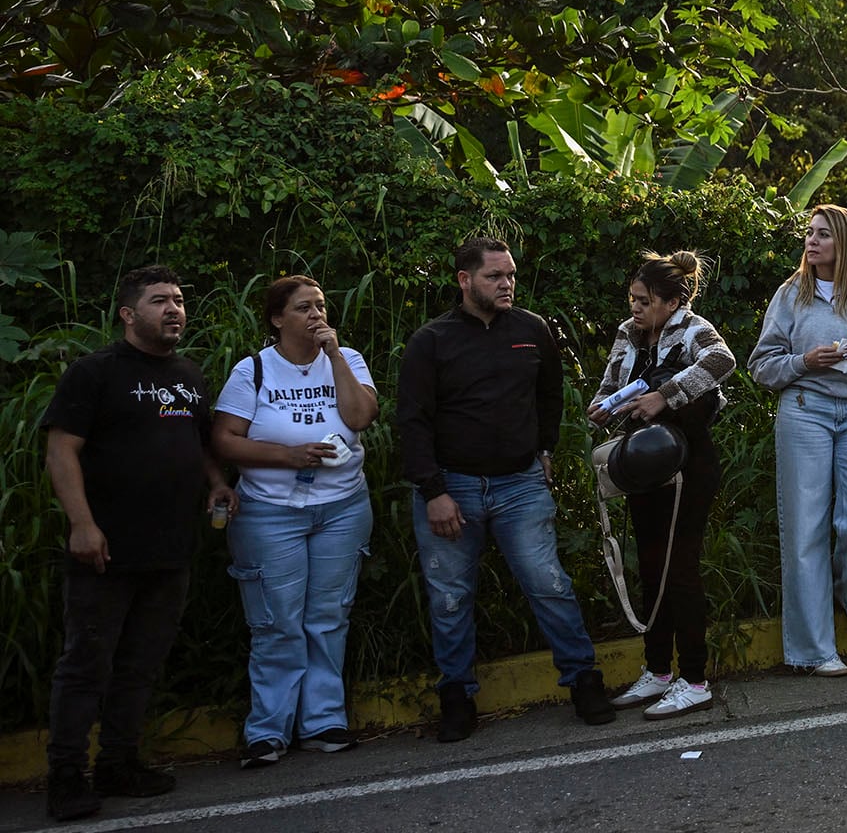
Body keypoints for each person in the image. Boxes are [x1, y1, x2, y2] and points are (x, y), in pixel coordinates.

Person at [397, 236, 616, 741]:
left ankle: (584, 681)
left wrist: (545, 449)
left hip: (520, 483)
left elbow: (551, 394)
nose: (506, 283)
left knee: (549, 584)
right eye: (495, 275)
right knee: (450, 600)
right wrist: (433, 491)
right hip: (451, 487)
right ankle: (456, 696)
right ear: (464, 280)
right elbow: (412, 420)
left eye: (511, 274)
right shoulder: (431, 341)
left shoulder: (532, 330)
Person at [40, 265, 238, 821]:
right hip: (105, 548)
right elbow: (62, 451)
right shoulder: (94, 373)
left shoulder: (188, 376)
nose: (174, 309)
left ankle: (119, 764)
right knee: (87, 664)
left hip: (170, 547)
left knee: (142, 663)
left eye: (178, 300)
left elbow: (198, 444)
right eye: (159, 301)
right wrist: (82, 523)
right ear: (128, 314)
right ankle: (65, 776)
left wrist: (217, 481)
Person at [212, 276, 379, 768]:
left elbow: (361, 416)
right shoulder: (254, 371)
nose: (316, 315)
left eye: (321, 306)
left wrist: (335, 357)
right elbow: (224, 440)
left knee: (328, 618)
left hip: (343, 508)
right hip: (270, 512)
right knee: (276, 623)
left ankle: (324, 721)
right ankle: (268, 730)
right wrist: (287, 456)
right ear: (277, 319)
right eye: (303, 308)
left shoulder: (346, 360)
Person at [748, 205, 847, 676]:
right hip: (804, 412)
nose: (812, 242)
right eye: (809, 234)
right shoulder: (790, 294)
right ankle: (814, 651)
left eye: (823, 235)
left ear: (845, 242)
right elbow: (760, 365)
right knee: (805, 532)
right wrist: (803, 362)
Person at [590, 251, 738, 718]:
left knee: (681, 567)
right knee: (650, 565)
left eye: (644, 300)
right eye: (632, 297)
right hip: (643, 461)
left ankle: (695, 678)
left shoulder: (693, 328)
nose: (634, 306)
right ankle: (657, 671)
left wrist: (665, 396)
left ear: (672, 302)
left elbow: (723, 360)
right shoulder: (627, 333)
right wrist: (603, 409)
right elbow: (607, 384)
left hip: (689, 460)